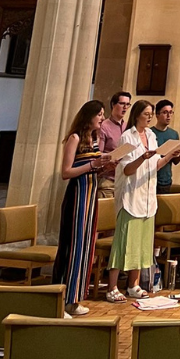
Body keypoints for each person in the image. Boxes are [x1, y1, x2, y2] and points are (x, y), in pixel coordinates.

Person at [106, 101, 180, 303]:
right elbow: (126, 169)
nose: (149, 117)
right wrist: (142, 157)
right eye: (146, 113)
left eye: (151, 114)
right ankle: (112, 286)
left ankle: (134, 284)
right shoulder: (127, 137)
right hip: (130, 197)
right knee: (124, 243)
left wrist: (170, 156)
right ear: (137, 114)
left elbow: (154, 165)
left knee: (140, 245)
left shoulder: (151, 136)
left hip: (147, 198)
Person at [53, 100, 116, 316]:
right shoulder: (75, 138)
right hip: (77, 197)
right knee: (73, 248)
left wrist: (105, 166)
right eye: (99, 114)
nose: (102, 117)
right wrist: (92, 165)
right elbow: (66, 172)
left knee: (86, 248)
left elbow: (92, 169)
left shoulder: (95, 139)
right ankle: (61, 300)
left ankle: (75, 298)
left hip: (91, 197)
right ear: (88, 116)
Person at [97, 91, 131, 198]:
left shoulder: (128, 126)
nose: (125, 107)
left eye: (127, 104)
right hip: (108, 181)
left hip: (125, 180)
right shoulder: (103, 126)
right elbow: (98, 153)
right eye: (122, 104)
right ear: (113, 104)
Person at [151, 100, 180, 195]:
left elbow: (175, 161)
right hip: (152, 177)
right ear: (157, 115)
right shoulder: (150, 133)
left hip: (166, 180)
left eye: (170, 112)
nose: (168, 116)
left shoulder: (173, 134)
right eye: (165, 112)